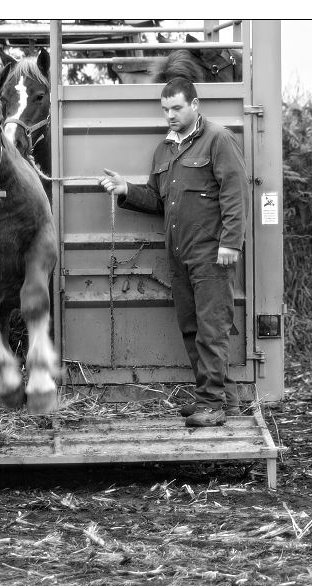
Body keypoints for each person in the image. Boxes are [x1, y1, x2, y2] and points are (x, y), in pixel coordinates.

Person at [99, 77, 250, 427]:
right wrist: (126, 189)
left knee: (212, 329)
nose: (170, 115)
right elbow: (157, 201)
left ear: (195, 105)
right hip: (179, 255)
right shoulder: (164, 150)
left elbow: (235, 193)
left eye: (177, 108)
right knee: (191, 327)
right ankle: (219, 399)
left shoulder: (218, 140)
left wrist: (231, 242)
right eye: (165, 109)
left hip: (212, 253)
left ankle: (211, 405)